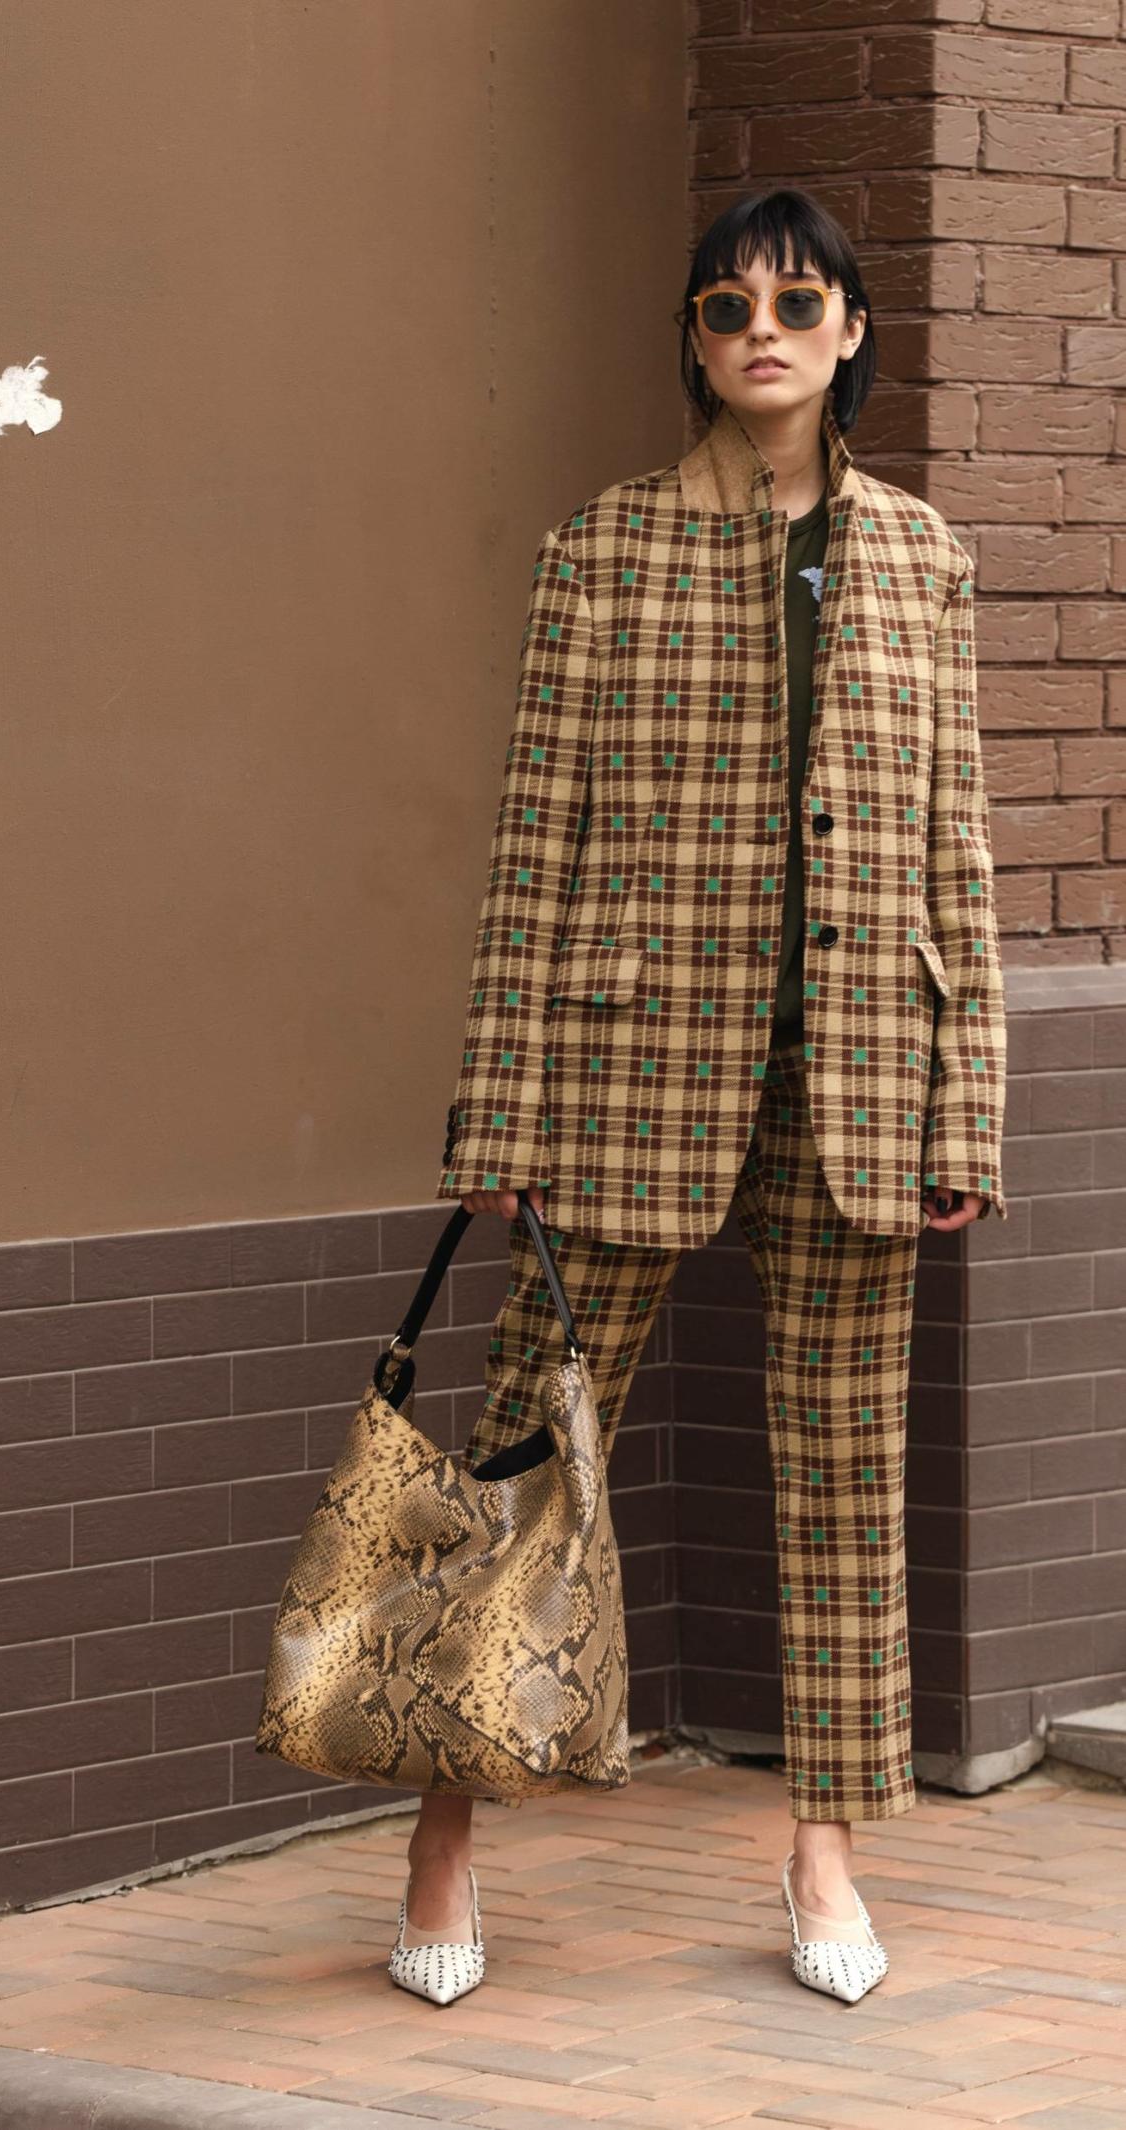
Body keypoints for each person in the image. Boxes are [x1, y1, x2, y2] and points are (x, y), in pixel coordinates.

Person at [390, 186, 1007, 2008]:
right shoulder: (605, 552)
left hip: (860, 1083)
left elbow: (951, 858)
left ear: (849, 338)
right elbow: (536, 846)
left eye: (797, 300)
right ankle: (446, 1816)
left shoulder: (925, 561)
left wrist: (964, 1112)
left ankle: (823, 1849)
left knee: (842, 1477)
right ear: (695, 334)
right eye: (727, 302)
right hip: (625, 1071)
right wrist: (500, 1109)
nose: (762, 326)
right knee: (523, 1457)